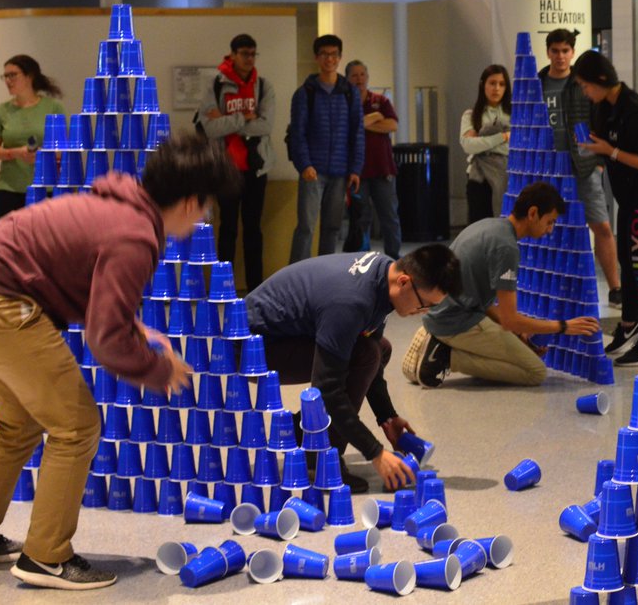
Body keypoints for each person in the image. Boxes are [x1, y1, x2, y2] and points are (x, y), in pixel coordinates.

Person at [0, 131, 236, 590]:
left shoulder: (121, 207)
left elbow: (80, 277)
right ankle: (46, 558)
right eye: (207, 205)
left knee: (18, 422)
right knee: (77, 425)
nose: (205, 217)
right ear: (193, 202)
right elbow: (105, 340)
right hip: (0, 300)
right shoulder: (135, 236)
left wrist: (133, 328)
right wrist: (159, 370)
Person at [246, 245, 461, 493]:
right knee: (366, 354)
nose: (422, 313)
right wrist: (375, 452)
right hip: (252, 348)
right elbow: (327, 388)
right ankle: (320, 456)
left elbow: (374, 354)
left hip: (284, 334)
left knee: (379, 349)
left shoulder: (385, 273)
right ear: (404, 281)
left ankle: (298, 431)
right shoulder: (351, 302)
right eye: (425, 305)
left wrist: (386, 417)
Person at [402, 181, 600, 388]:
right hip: (456, 322)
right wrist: (563, 326)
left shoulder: (489, 226)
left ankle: (440, 344)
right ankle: (444, 356)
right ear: (533, 213)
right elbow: (510, 320)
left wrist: (517, 333)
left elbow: (482, 301)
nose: (550, 230)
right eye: (549, 222)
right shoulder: (506, 248)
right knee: (535, 372)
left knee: (515, 350)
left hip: (444, 313)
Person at [574, 50, 638, 366]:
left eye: (586, 85)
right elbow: (604, 143)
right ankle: (629, 326)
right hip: (630, 199)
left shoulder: (636, 112)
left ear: (601, 81)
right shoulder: (602, 105)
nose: (584, 92)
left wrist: (610, 152)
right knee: (627, 264)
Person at [538, 29, 623, 306]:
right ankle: (556, 289)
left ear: (572, 52)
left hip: (584, 165)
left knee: (602, 226)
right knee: (551, 229)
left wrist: (598, 163)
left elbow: (598, 117)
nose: (560, 56)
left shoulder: (581, 83)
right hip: (549, 168)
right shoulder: (537, 82)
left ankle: (615, 287)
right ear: (548, 52)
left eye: (565, 51)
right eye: (555, 50)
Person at [197, 33, 276, 291]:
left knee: (254, 230)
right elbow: (209, 128)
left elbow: (266, 125)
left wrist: (227, 120)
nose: (249, 59)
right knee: (228, 229)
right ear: (232, 55)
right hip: (226, 169)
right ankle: (223, 287)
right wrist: (244, 117)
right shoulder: (216, 85)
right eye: (244, 54)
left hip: (256, 169)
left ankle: (256, 287)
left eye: (253, 54)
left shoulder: (263, 86)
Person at [288, 34, 364, 263]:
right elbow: (297, 133)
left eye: (334, 54)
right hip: (313, 171)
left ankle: (325, 274)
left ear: (340, 58)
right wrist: (304, 164)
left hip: (340, 172)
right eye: (324, 54)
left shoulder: (350, 93)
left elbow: (357, 133)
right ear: (316, 58)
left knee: (332, 227)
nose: (329, 59)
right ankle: (296, 276)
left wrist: (355, 168)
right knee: (306, 227)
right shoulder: (305, 93)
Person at [0, 55, 64, 219]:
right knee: (9, 241)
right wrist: (15, 153)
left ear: (30, 76)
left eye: (13, 75)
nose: (8, 80)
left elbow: (64, 150)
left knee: (44, 242)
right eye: (5, 76)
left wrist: (41, 155)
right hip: (9, 188)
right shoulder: (1, 111)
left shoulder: (53, 107)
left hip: (46, 186)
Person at [342, 60, 402, 259]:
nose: (359, 79)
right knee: (361, 217)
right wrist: (375, 117)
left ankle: (394, 256)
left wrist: (362, 123)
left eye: (362, 75)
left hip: (383, 168)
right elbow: (346, 129)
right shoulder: (344, 101)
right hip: (356, 172)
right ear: (347, 78)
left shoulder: (380, 101)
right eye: (354, 75)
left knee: (389, 215)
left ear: (367, 77)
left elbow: (392, 125)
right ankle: (362, 258)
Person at [460, 64, 511, 223]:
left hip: (508, 175)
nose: (496, 88)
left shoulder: (514, 114)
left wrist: (482, 140)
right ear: (483, 84)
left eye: (501, 84)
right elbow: (468, 145)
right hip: (479, 178)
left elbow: (518, 145)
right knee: (479, 227)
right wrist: (502, 137)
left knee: (505, 224)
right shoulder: (471, 115)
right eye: (492, 83)